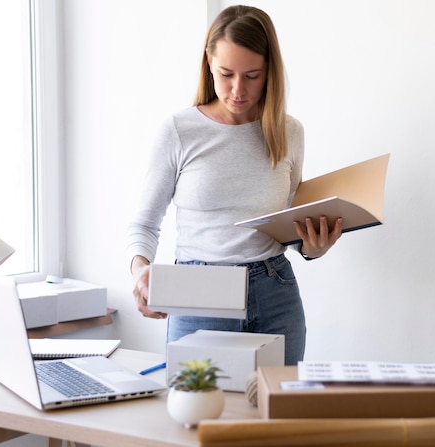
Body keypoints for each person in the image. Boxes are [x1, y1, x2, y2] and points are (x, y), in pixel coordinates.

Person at [126, 5, 342, 365]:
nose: (238, 90)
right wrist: (140, 271)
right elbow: (144, 224)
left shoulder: (289, 132)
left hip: (276, 292)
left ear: (269, 71)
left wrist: (314, 247)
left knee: (276, 417)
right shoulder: (179, 131)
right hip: (199, 294)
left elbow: (290, 224)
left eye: (252, 75)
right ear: (208, 61)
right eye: (226, 73)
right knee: (200, 415)